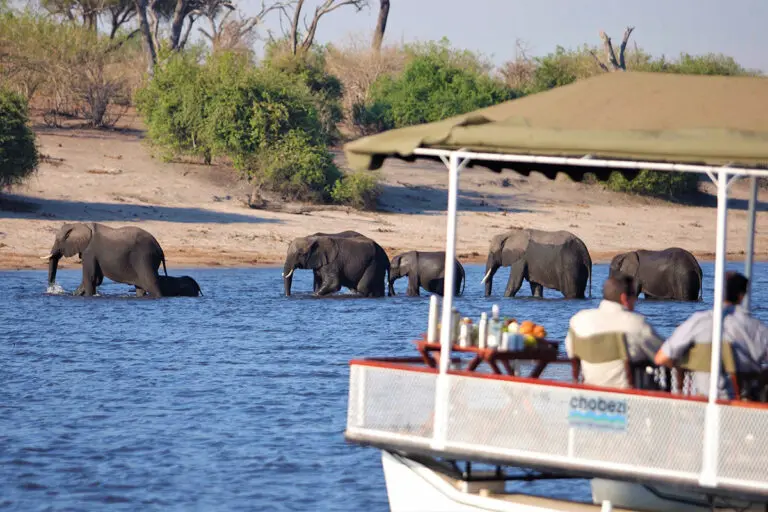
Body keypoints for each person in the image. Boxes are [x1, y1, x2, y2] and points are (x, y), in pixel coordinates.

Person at [654, 271, 768, 399]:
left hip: (702, 402)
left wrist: (687, 365)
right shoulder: (757, 329)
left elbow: (661, 358)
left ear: (717, 292)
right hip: (743, 405)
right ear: (742, 296)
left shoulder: (697, 322)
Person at [565, 275, 665, 389]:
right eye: (634, 295)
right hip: (630, 394)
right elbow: (665, 355)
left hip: (589, 393)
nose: (635, 300)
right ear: (624, 298)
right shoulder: (636, 323)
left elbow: (571, 353)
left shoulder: (578, 320)